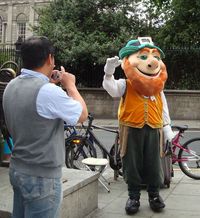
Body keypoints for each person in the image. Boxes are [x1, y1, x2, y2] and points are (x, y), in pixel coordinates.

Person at [3, 36, 88, 218]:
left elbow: (33, 110)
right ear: (50, 59)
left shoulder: (11, 85)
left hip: (18, 169)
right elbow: (81, 114)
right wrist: (70, 85)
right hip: (41, 177)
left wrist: (50, 84)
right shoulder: (48, 91)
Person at [102, 37, 175, 215]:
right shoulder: (126, 85)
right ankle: (133, 196)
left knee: (154, 163)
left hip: (154, 129)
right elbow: (111, 88)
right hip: (131, 129)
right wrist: (109, 72)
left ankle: (154, 195)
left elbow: (163, 108)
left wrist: (167, 128)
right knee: (131, 163)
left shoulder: (158, 88)